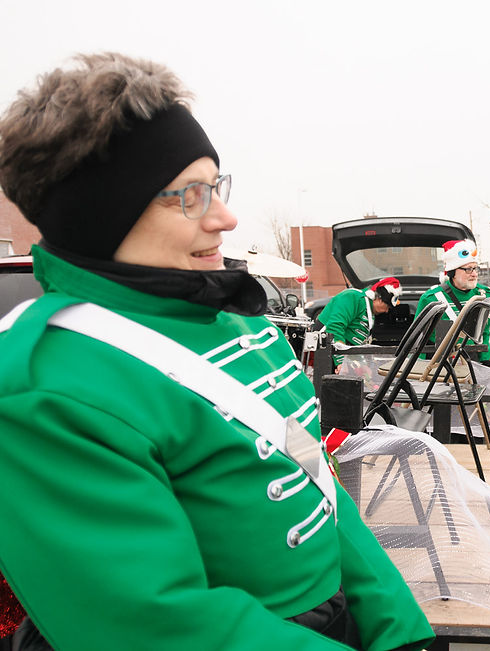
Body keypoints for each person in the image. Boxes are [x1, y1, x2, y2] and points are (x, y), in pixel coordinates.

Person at [0, 53, 433, 650]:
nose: (225, 218)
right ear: (105, 214)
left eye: (217, 186)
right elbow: (154, 625)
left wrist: (398, 628)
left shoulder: (243, 330)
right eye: (191, 196)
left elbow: (321, 488)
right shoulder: (45, 384)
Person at [415, 239, 490, 365]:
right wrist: (418, 365)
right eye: (468, 269)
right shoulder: (430, 298)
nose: (474, 274)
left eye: (475, 268)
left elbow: (484, 332)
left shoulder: (484, 295)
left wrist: (485, 359)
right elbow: (419, 337)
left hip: (471, 360)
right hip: (438, 362)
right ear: (452, 271)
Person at [318, 277, 402, 369]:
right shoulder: (352, 297)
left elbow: (357, 343)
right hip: (326, 352)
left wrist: (363, 368)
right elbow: (334, 327)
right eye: (387, 306)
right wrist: (341, 361)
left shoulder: (369, 309)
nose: (386, 311)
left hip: (343, 354)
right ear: (379, 298)